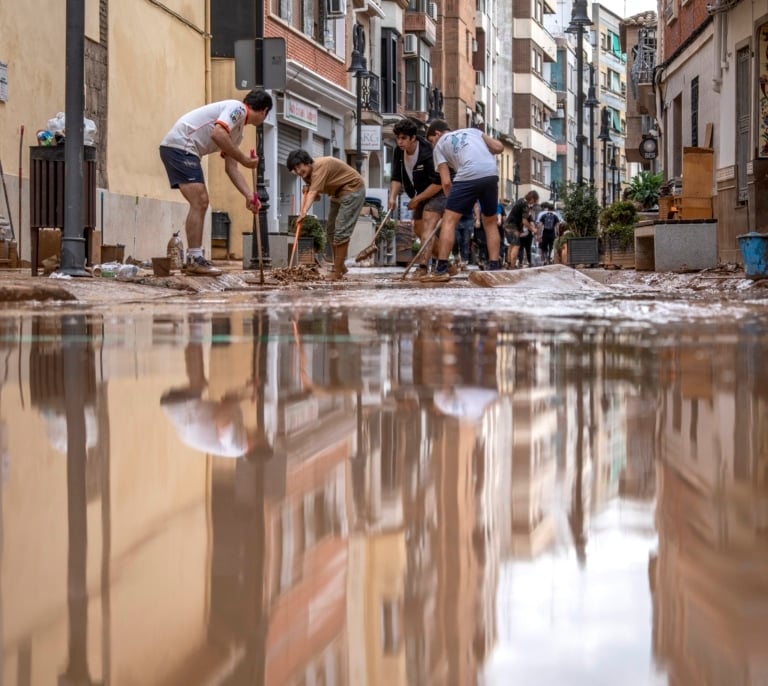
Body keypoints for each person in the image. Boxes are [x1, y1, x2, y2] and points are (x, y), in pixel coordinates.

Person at [159, 89, 273, 276]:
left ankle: (195, 258)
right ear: (264, 111)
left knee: (200, 202)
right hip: (181, 146)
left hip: (185, 150)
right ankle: (195, 259)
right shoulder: (237, 109)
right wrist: (245, 159)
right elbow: (218, 133)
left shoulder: (237, 132)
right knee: (201, 201)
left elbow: (231, 168)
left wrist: (248, 196)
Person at [421, 121, 504, 283]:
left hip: (467, 174)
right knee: (490, 222)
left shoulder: (439, 146)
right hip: (490, 173)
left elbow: (445, 182)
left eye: (431, 140)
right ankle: (495, 268)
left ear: (437, 134)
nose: (432, 145)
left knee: (449, 221)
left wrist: (452, 202)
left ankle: (441, 269)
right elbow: (499, 148)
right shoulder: (473, 132)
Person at [287, 149, 366, 280]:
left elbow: (312, 195)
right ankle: (340, 266)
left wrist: (303, 213)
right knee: (331, 230)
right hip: (337, 193)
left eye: (299, 166)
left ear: (306, 161)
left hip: (352, 189)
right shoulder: (307, 176)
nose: (299, 171)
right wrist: (308, 189)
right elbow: (316, 196)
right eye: (295, 169)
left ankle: (337, 271)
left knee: (341, 231)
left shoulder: (320, 167)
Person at [388, 120, 446, 278]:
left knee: (428, 223)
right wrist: (392, 197)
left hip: (438, 191)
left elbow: (439, 182)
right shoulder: (398, 151)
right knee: (420, 231)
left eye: (403, 138)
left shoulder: (429, 151)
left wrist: (417, 199)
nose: (400, 142)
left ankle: (422, 266)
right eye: (397, 138)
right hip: (419, 194)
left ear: (413, 138)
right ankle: (446, 261)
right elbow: (396, 176)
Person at [506, 190, 539, 268]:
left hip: (507, 225)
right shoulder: (525, 205)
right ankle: (512, 266)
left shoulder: (520, 200)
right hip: (513, 226)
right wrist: (533, 229)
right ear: (532, 198)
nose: (533, 203)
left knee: (511, 245)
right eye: (534, 201)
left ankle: (509, 264)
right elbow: (524, 221)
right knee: (516, 246)